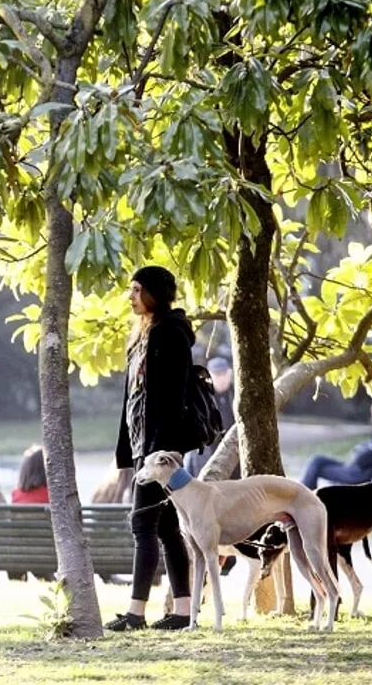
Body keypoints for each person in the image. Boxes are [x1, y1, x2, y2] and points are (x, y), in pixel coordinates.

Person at [106, 265, 194, 632]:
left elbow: (172, 399)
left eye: (136, 289)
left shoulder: (169, 334)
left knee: (143, 522)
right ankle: (184, 612)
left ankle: (135, 614)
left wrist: (159, 455)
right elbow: (134, 401)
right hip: (148, 447)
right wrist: (130, 452)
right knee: (167, 526)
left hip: (161, 450)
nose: (130, 296)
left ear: (153, 293)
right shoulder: (144, 335)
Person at [300, 402, 372, 489]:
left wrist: (360, 450)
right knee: (317, 459)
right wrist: (361, 450)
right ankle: (306, 497)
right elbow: (360, 452)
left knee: (317, 467)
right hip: (353, 469)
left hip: (356, 475)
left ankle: (303, 497)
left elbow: (360, 458)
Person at [183, 356, 240, 479]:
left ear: (229, 374)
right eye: (217, 375)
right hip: (207, 453)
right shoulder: (200, 397)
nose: (221, 379)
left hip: (233, 451)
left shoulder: (236, 394)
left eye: (223, 374)